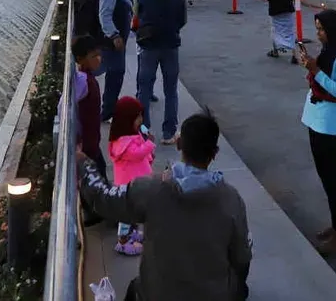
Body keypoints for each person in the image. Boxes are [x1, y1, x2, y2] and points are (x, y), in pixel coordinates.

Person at [78, 111, 252, 301]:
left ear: (179, 144)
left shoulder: (150, 191)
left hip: (157, 293)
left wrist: (83, 163)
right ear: (215, 153)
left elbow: (103, 199)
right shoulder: (232, 201)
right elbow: (242, 259)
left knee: (135, 288)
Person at [298, 9, 336, 255]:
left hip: (331, 123)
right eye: (317, 29)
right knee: (325, 175)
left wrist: (316, 71)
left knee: (332, 177)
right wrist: (312, 70)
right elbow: (321, 80)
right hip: (316, 118)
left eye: (322, 29)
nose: (318, 34)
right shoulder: (328, 50)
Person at [134, 0, 187, 145]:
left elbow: (136, 19)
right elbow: (182, 21)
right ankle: (169, 132)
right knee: (171, 90)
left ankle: (143, 130)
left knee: (144, 90)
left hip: (148, 46)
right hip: (171, 45)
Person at [107, 96, 156, 256]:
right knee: (127, 215)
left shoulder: (131, 136)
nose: (141, 120)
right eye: (138, 117)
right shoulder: (123, 143)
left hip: (136, 183)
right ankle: (123, 241)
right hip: (128, 186)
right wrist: (149, 144)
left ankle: (131, 234)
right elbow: (136, 154)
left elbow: (140, 151)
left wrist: (148, 150)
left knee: (134, 212)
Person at [98, 0, 134, 121]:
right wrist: (114, 35)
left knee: (115, 74)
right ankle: (108, 111)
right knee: (115, 74)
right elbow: (104, 16)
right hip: (113, 42)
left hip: (118, 41)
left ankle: (109, 107)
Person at [73, 36, 106, 176]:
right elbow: (64, 106)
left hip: (92, 141)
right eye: (93, 56)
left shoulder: (88, 78)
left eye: (99, 55)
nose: (98, 59)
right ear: (80, 59)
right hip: (87, 145)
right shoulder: (83, 80)